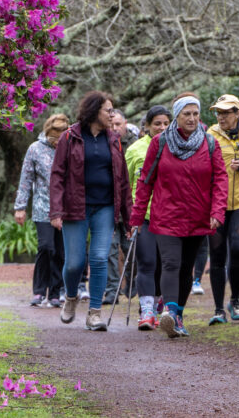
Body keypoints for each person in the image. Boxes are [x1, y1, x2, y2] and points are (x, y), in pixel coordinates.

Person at [129, 96, 228, 338]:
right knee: (171, 263)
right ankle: (170, 314)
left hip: (198, 216)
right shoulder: (160, 142)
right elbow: (145, 181)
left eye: (195, 113)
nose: (192, 118)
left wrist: (217, 212)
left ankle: (178, 315)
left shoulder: (209, 143)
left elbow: (220, 180)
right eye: (187, 114)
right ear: (177, 116)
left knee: (186, 267)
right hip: (167, 215)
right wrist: (136, 218)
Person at [50, 91, 133, 331]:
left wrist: (129, 218)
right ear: (94, 111)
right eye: (108, 110)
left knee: (99, 259)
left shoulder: (114, 139)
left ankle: (95, 313)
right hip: (76, 207)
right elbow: (57, 175)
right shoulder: (70, 136)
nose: (112, 114)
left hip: (105, 207)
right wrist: (56, 211)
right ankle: (72, 297)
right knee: (75, 263)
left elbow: (123, 180)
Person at [15, 113, 69, 308]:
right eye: (54, 139)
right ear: (47, 134)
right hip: (42, 207)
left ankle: (55, 293)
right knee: (46, 247)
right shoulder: (35, 149)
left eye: (61, 139)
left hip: (65, 209)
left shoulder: (71, 148)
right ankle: (39, 291)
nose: (57, 143)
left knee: (61, 252)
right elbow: (26, 179)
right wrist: (20, 207)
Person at [124, 105, 171, 330]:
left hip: (171, 216)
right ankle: (146, 312)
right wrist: (128, 216)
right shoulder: (134, 150)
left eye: (165, 123)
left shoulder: (177, 146)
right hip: (143, 216)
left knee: (165, 264)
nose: (161, 127)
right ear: (147, 126)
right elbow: (126, 184)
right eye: (157, 124)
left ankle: (161, 302)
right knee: (147, 262)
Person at [206, 94, 239, 325]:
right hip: (216, 204)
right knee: (217, 256)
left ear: (237, 113)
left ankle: (235, 299)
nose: (221, 117)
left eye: (225, 112)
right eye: (218, 113)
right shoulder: (209, 135)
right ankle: (217, 309)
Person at [105, 108, 139, 304]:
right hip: (109, 206)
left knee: (131, 248)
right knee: (109, 249)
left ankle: (132, 281)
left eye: (118, 124)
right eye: (112, 125)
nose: (115, 128)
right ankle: (112, 290)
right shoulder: (104, 144)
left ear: (125, 123)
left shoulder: (134, 145)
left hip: (130, 207)